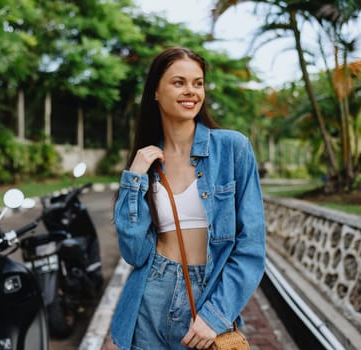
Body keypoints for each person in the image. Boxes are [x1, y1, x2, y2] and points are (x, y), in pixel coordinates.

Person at [108, 47, 266, 350]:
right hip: (149, 296)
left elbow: (251, 247)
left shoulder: (233, 149)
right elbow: (134, 253)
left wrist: (215, 316)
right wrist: (134, 179)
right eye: (179, 82)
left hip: (207, 298)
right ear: (155, 91)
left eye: (198, 83)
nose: (191, 91)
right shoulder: (145, 163)